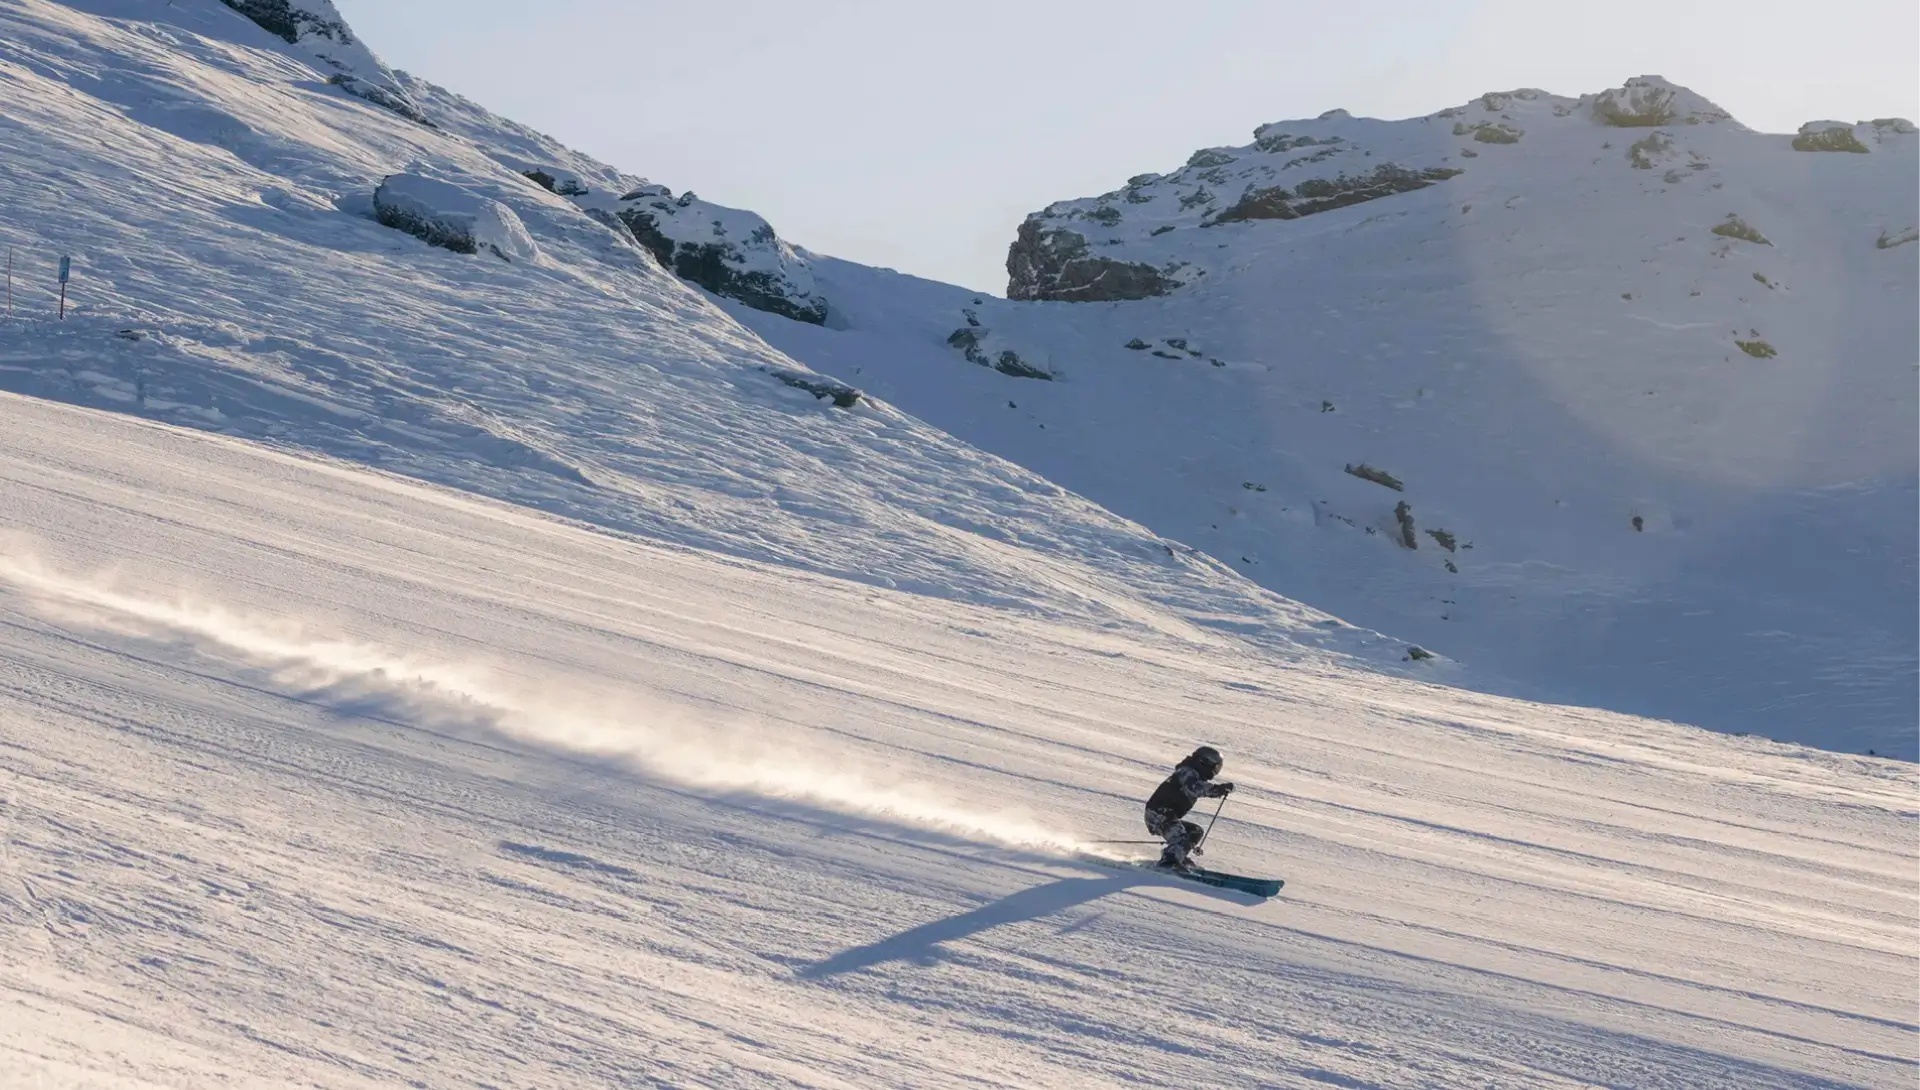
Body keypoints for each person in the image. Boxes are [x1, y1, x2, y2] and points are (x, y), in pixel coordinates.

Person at [1145, 745, 1233, 871]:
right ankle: (1169, 861)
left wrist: (1218, 790)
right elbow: (1194, 788)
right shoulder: (1186, 772)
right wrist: (1216, 789)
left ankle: (1178, 856)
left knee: (1194, 831)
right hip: (1159, 813)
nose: (1215, 771)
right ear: (1204, 763)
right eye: (1215, 767)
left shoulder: (1193, 773)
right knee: (1180, 836)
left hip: (1165, 814)